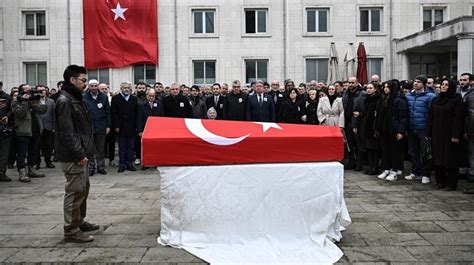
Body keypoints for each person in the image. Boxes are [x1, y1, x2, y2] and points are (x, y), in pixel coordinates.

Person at [55, 64, 98, 243]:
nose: (86, 83)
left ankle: (79, 221)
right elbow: (67, 132)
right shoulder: (65, 101)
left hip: (81, 153)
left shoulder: (75, 97)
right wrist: (79, 153)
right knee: (75, 191)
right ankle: (71, 230)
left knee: (83, 189)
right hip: (73, 156)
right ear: (72, 80)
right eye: (83, 80)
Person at [428, 79, 465, 191]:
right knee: (438, 157)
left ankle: (451, 184)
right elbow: (431, 117)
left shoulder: (456, 99)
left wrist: (455, 135)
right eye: (443, 85)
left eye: (447, 85)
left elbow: (458, 118)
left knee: (451, 159)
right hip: (437, 133)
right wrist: (428, 133)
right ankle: (440, 181)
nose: (444, 87)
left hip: (450, 134)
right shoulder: (436, 99)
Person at [405, 75, 436, 184]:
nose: (415, 83)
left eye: (418, 82)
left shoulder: (430, 96)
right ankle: (416, 172)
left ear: (424, 83)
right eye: (414, 81)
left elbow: (432, 114)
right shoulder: (409, 95)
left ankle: (425, 173)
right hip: (411, 128)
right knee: (413, 152)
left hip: (423, 128)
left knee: (425, 152)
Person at [12, 84, 47, 182]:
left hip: (35, 130)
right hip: (23, 131)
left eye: (30, 91)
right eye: (27, 91)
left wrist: (36, 102)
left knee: (34, 151)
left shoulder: (33, 100)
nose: (29, 93)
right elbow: (19, 113)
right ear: (21, 92)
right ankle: (22, 172)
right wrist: (24, 102)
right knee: (22, 153)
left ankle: (32, 169)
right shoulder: (16, 102)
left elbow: (43, 110)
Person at [376, 80, 408, 182]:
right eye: (384, 87)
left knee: (394, 151)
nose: (385, 89)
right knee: (385, 150)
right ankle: (386, 169)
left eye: (387, 87)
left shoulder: (398, 100)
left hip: (394, 129)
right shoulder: (382, 99)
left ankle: (394, 171)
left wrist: (400, 131)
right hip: (384, 128)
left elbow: (403, 117)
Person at [83, 79, 110, 176]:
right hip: (88, 127)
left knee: (101, 148)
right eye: (92, 86)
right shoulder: (84, 97)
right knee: (90, 148)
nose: (94, 88)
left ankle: (101, 166)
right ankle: (91, 167)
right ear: (89, 87)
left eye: (95, 86)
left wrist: (108, 126)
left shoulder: (103, 97)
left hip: (101, 126)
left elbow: (108, 112)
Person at [111, 81, 139, 173]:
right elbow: (113, 113)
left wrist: (137, 126)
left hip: (131, 127)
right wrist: (116, 126)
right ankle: (122, 164)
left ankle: (129, 163)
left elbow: (137, 114)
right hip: (120, 127)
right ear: (121, 89)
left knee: (131, 147)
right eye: (125, 88)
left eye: (128, 88)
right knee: (122, 147)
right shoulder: (116, 98)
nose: (126, 89)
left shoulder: (134, 99)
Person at [355, 83, 381, 175]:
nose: (368, 90)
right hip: (366, 126)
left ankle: (375, 167)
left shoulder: (378, 99)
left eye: (371, 88)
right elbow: (364, 112)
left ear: (375, 89)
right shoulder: (366, 99)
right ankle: (371, 166)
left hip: (374, 126)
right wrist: (360, 114)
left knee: (375, 148)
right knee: (369, 147)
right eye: (367, 88)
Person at [342, 77, 366, 170]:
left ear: (357, 83)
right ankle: (352, 162)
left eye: (352, 83)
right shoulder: (346, 93)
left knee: (358, 144)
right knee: (350, 144)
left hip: (358, 122)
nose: (350, 84)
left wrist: (360, 113)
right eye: (349, 83)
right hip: (347, 122)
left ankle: (359, 163)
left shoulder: (362, 94)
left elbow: (366, 109)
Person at [36, 85, 56, 169]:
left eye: (43, 90)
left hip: (48, 126)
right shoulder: (34, 101)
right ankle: (37, 163)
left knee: (49, 145)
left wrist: (54, 127)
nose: (41, 92)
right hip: (38, 126)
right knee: (37, 146)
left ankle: (48, 161)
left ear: (46, 91)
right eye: (39, 90)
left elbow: (54, 115)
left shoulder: (51, 101)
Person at [0, 81, 13, 182]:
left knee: (4, 152)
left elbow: (11, 110)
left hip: (4, 128)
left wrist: (7, 116)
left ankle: (2, 172)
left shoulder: (7, 97)